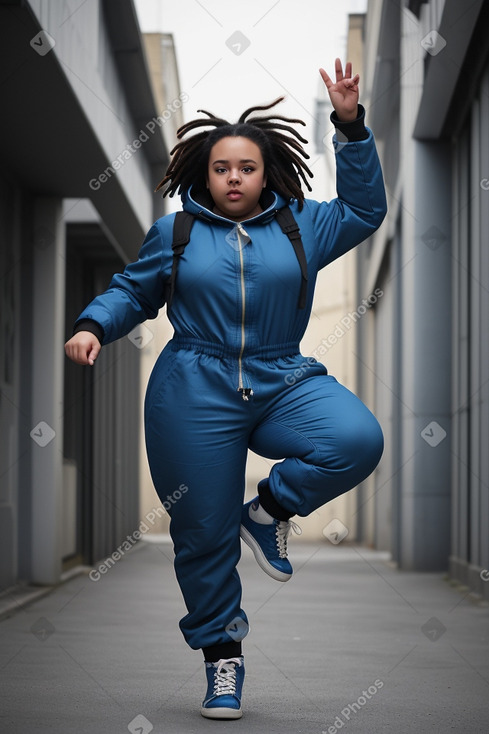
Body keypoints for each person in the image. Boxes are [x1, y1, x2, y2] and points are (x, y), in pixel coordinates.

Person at [65, 59, 387, 720]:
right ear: (203, 174)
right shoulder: (175, 234)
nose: (233, 177)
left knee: (354, 439)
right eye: (220, 168)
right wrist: (96, 323)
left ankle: (268, 511)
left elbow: (364, 209)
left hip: (279, 376)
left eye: (245, 167)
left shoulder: (302, 226)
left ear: (265, 172)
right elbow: (133, 290)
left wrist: (349, 127)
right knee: (201, 533)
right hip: (193, 387)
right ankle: (222, 660)